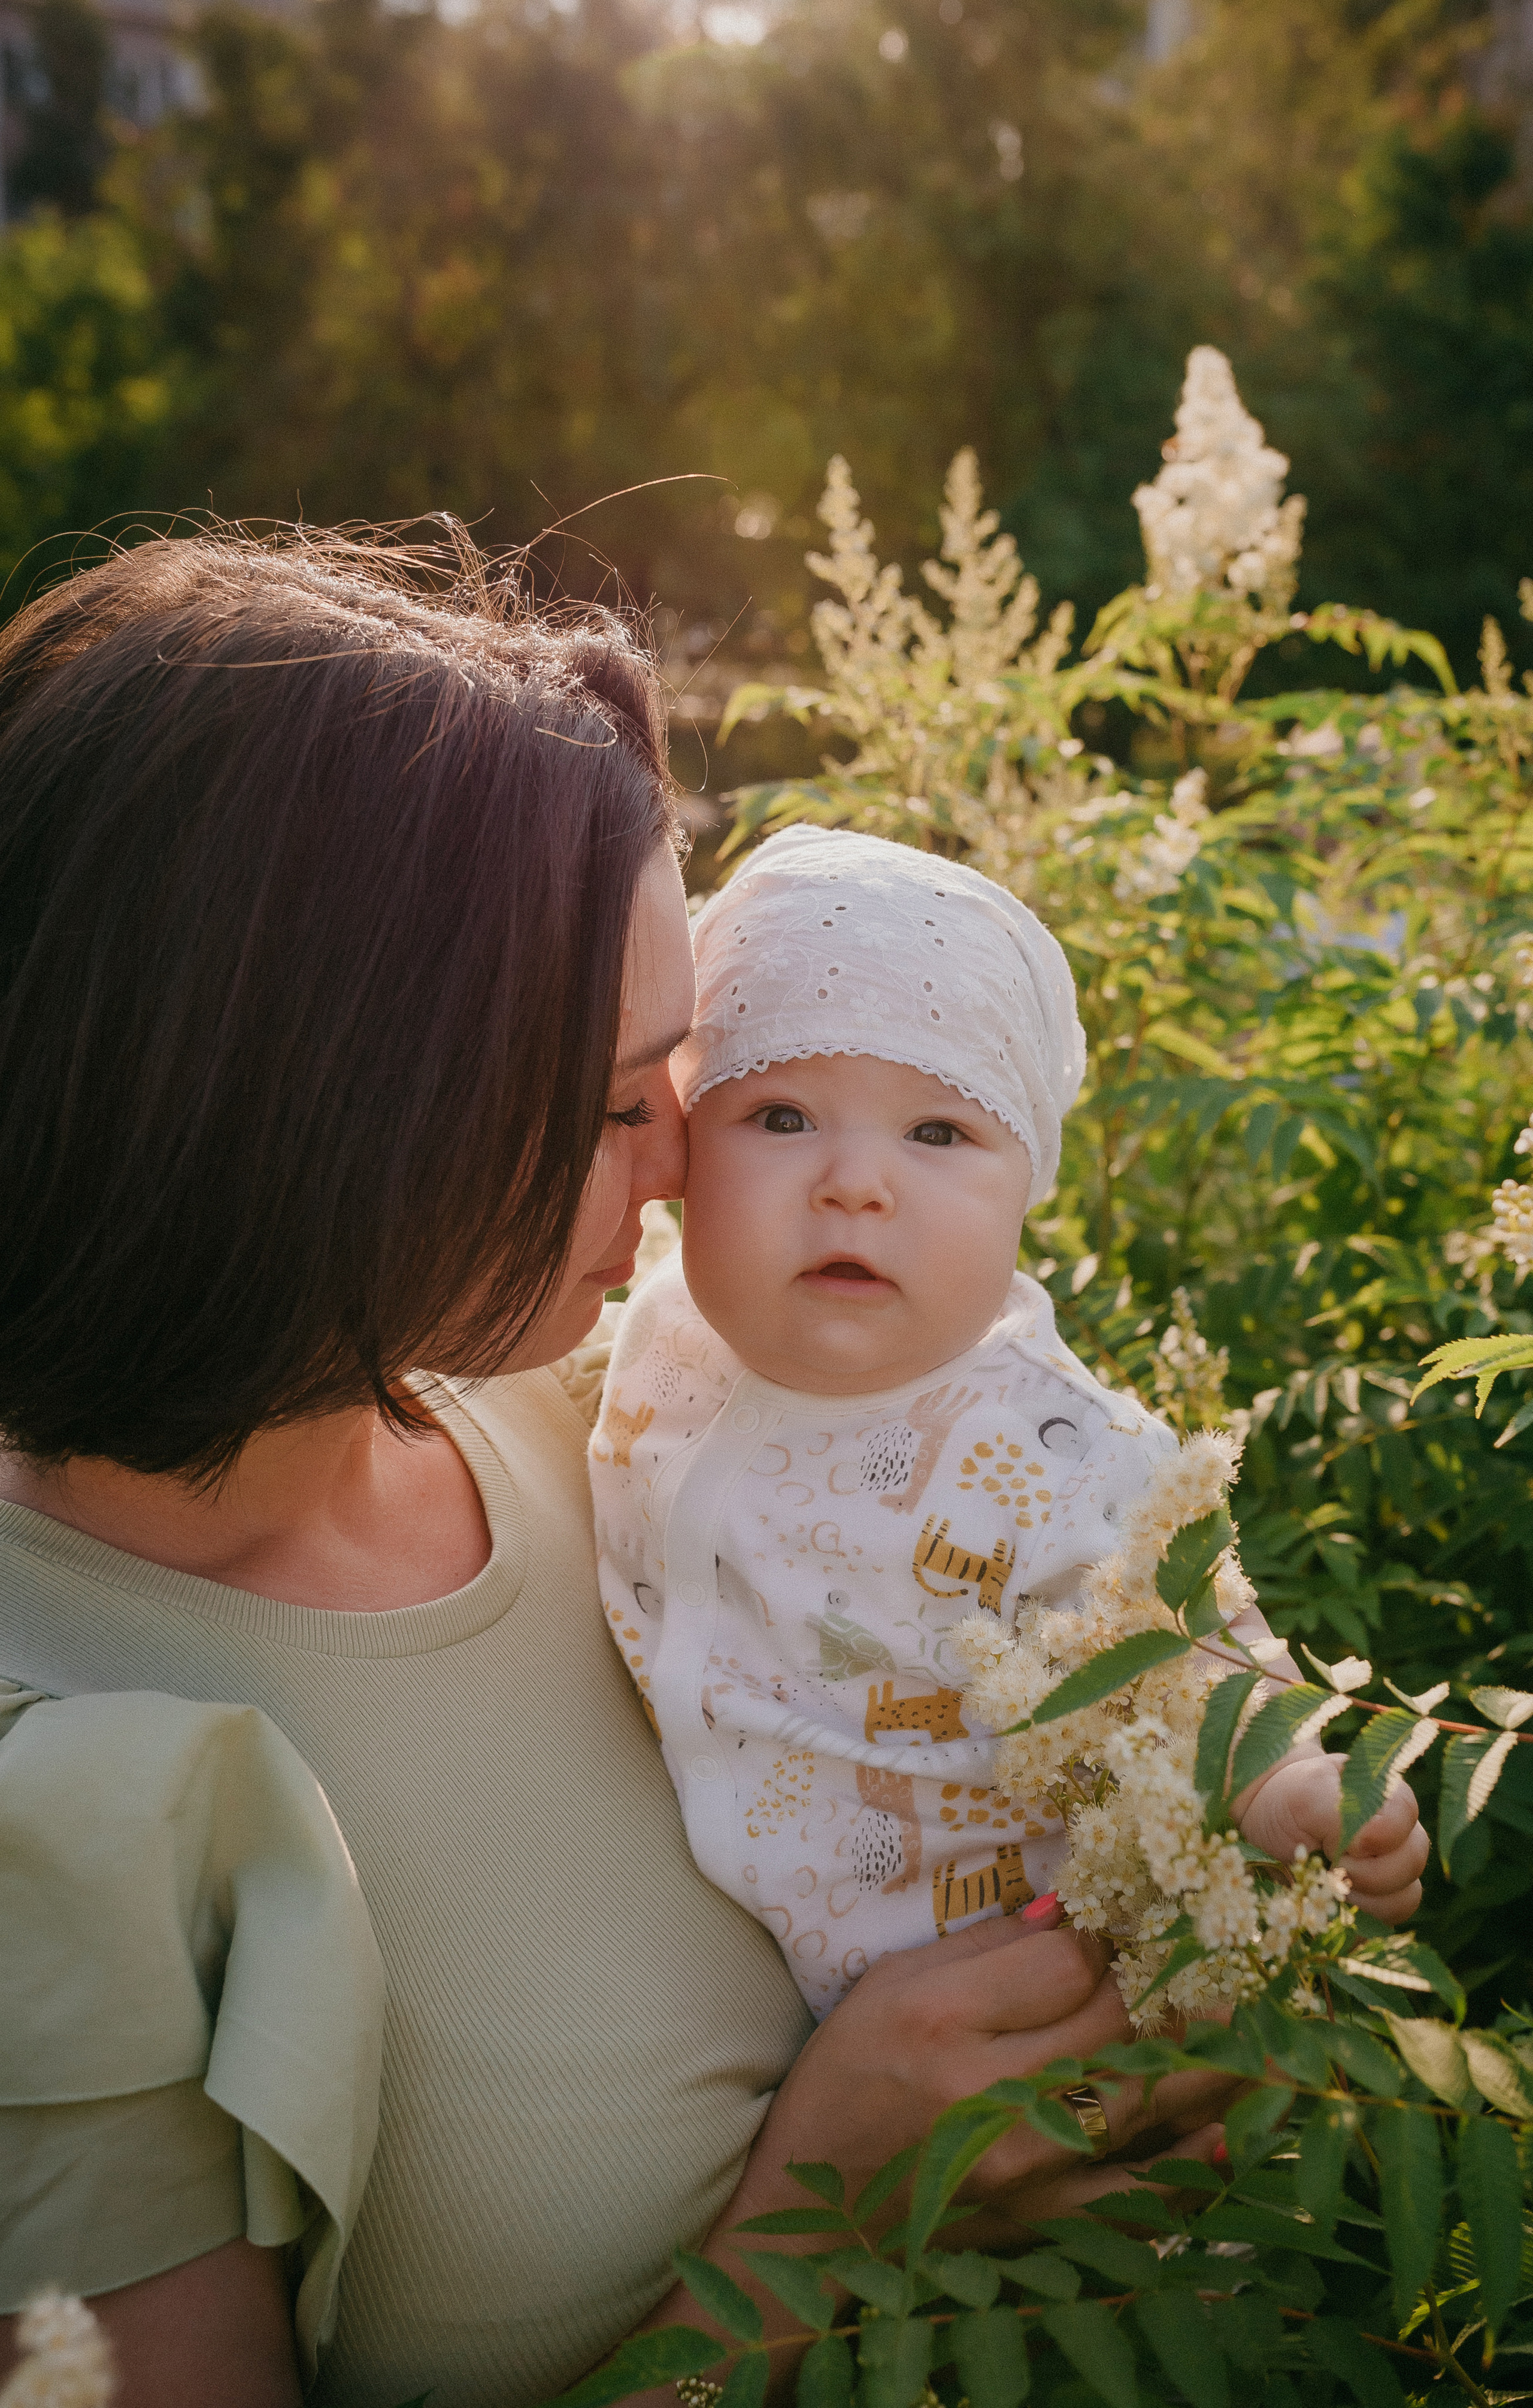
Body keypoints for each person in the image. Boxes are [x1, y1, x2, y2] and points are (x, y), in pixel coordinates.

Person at [0, 535, 1245, 2408]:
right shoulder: (53, 1780)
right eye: (606, 1104)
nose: (686, 1171)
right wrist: (829, 2215)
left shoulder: (635, 1409)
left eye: (689, 1074)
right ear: (312, 1114)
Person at [589, 826, 1429, 2016]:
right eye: (780, 1115)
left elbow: (1188, 1629)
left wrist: (1279, 1772)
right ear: (679, 1148)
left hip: (974, 2012)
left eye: (937, 1132)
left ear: (1025, 1188)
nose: (854, 1182)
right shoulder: (655, 1321)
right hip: (713, 1968)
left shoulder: (1045, 1449)